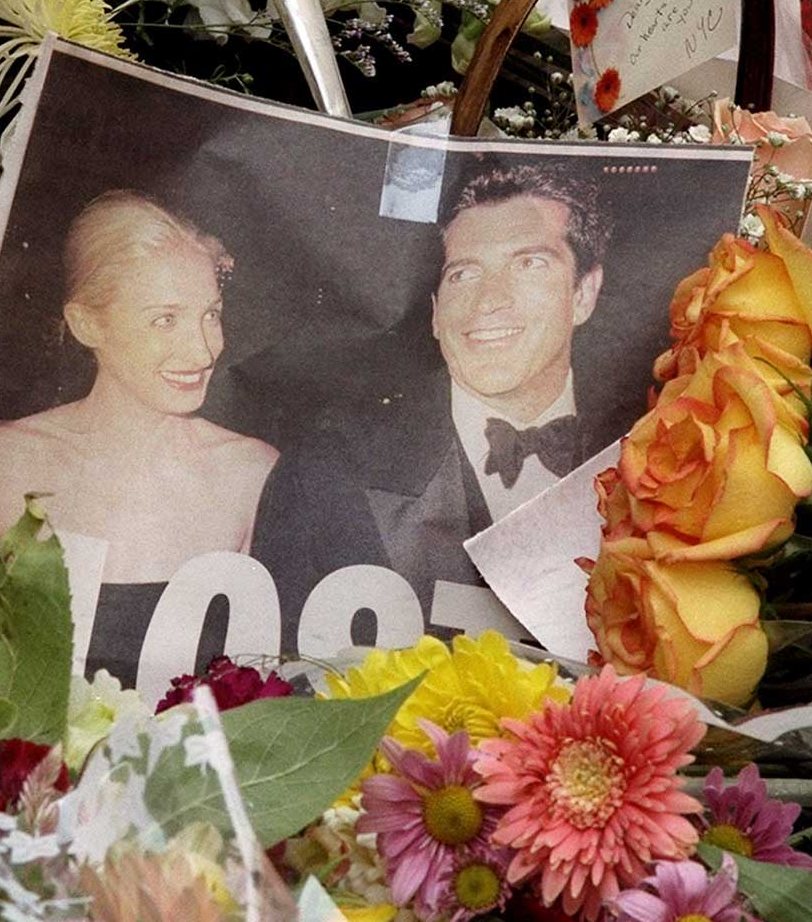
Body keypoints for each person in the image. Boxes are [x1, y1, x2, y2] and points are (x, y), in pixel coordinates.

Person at [251, 159, 611, 648]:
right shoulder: (324, 474)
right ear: (437, 314)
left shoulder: (653, 456)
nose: (489, 300)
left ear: (585, 293)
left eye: (529, 264)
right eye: (464, 274)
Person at [0, 190, 279, 678]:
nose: (203, 351)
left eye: (211, 315)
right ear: (86, 323)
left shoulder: (252, 471)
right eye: (165, 320)